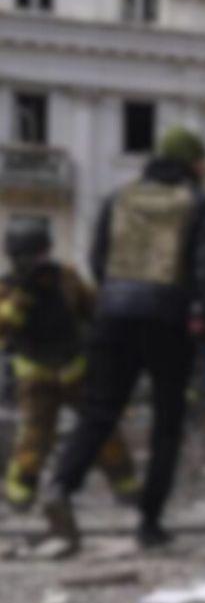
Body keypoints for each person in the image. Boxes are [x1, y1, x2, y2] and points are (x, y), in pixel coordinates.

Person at [43, 126, 205, 555]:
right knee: (167, 422)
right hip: (168, 320)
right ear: (191, 163)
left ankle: (60, 486)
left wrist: (117, 298)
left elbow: (97, 260)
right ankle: (150, 524)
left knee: (99, 411)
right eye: (203, 161)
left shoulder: (119, 198)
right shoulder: (199, 203)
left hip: (113, 316)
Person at [0, 217, 136, 512]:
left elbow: (95, 312)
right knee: (34, 440)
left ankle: (128, 489)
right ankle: (19, 497)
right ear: (15, 256)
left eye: (40, 254)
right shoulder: (8, 289)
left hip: (77, 372)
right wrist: (19, 301)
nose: (37, 263)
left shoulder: (67, 278)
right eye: (29, 256)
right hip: (36, 379)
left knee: (103, 431)